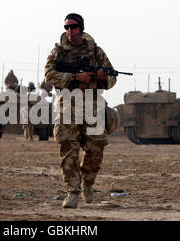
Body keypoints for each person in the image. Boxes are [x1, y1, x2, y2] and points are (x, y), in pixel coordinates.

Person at [44, 13, 117, 208]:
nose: (70, 31)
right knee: (69, 151)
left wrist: (101, 77)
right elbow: (49, 75)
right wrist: (74, 76)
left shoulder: (96, 52)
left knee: (96, 148)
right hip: (67, 105)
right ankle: (72, 192)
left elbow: (112, 78)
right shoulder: (58, 52)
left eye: (74, 27)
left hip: (92, 104)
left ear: (81, 28)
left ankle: (88, 183)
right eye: (66, 27)